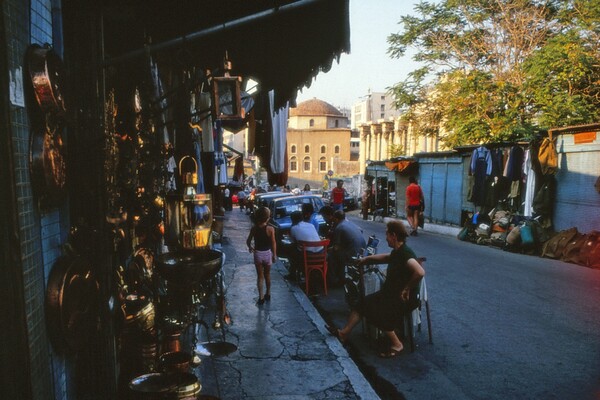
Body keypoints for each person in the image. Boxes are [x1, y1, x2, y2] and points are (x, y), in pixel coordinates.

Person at [325, 220, 425, 358]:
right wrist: (367, 259)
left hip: (404, 298)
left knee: (375, 310)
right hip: (390, 294)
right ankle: (344, 333)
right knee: (361, 303)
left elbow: (419, 272)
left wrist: (407, 289)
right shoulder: (397, 252)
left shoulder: (405, 253)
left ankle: (397, 344)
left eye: (387, 234)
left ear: (394, 236)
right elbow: (386, 257)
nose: (386, 238)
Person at [246, 206, 277, 305]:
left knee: (260, 276)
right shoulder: (271, 229)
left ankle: (261, 297)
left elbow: (248, 241)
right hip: (267, 254)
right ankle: (268, 293)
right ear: (267, 218)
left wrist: (250, 248)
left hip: (258, 254)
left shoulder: (254, 228)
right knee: (267, 274)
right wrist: (274, 254)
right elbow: (273, 243)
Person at [328, 210, 366, 286]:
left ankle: (334, 280)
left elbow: (336, 248)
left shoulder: (339, 227)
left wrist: (327, 249)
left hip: (353, 253)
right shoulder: (349, 223)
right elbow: (360, 230)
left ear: (336, 219)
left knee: (331, 255)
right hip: (362, 250)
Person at [286, 210, 323, 281]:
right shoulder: (311, 225)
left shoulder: (293, 228)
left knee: (292, 250)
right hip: (321, 254)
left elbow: (293, 241)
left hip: (308, 256)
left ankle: (292, 274)